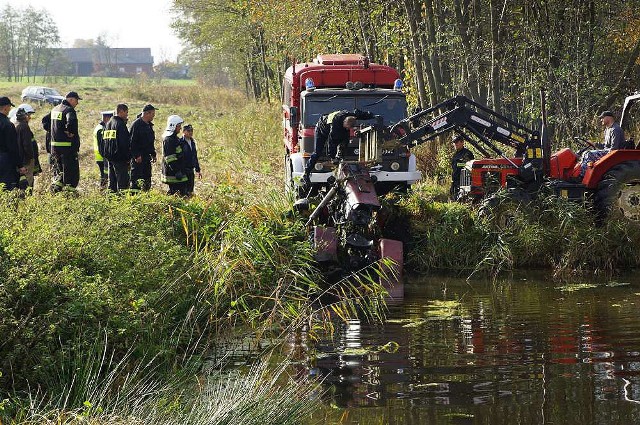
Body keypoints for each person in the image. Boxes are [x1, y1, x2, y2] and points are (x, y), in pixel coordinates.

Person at [303, 109, 375, 183]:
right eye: (347, 127)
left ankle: (341, 158)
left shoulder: (350, 115)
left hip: (338, 126)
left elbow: (360, 113)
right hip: (321, 130)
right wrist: (333, 158)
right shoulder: (335, 126)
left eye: (348, 128)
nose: (347, 129)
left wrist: (371, 115)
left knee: (345, 140)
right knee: (317, 152)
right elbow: (331, 143)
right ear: (344, 122)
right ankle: (306, 173)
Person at [50, 91, 82, 192]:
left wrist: (56, 131)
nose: (77, 104)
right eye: (76, 101)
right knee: (71, 174)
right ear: (71, 99)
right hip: (68, 149)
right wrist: (71, 132)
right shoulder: (69, 110)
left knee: (58, 173)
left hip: (54, 149)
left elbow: (45, 121)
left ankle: (55, 193)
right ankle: (69, 196)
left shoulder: (55, 109)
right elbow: (71, 122)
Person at [579, 110, 625, 178]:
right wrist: (594, 144)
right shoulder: (608, 130)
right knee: (583, 154)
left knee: (589, 154)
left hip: (614, 154)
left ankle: (582, 176)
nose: (601, 120)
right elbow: (606, 146)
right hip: (608, 151)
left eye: (602, 118)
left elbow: (614, 148)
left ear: (608, 118)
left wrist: (603, 158)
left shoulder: (615, 129)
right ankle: (582, 173)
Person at [102, 104, 131, 193]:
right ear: (121, 111)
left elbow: (104, 142)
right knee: (123, 183)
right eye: (126, 113)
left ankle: (111, 201)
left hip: (110, 158)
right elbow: (124, 143)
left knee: (112, 183)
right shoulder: (120, 124)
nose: (127, 115)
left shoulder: (108, 124)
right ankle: (122, 202)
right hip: (120, 158)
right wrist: (127, 159)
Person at [129, 104, 158, 192]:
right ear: (147, 113)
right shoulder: (136, 125)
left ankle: (146, 195)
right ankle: (134, 198)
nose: (154, 116)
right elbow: (132, 142)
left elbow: (150, 142)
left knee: (147, 178)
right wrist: (136, 155)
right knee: (136, 179)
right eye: (153, 114)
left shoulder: (149, 125)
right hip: (138, 158)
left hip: (146, 157)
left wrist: (153, 154)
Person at [0, 97, 25, 190]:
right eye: (9, 107)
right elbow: (13, 147)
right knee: (6, 187)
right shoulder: (7, 124)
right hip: (5, 160)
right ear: (6, 107)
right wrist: (20, 165)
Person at [161, 115, 189, 196]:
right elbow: (170, 158)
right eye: (179, 126)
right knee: (176, 194)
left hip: (178, 171)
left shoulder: (174, 138)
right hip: (173, 174)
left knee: (180, 193)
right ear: (173, 126)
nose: (180, 128)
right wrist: (177, 171)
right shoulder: (169, 139)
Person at [14, 105, 37, 190]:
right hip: (26, 161)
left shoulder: (16, 125)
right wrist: (31, 158)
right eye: (28, 115)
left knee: (21, 181)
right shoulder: (24, 127)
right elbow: (27, 145)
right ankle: (26, 199)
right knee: (28, 182)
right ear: (25, 116)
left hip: (19, 160)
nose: (30, 118)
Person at [450, 134, 474, 200]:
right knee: (454, 198)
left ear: (462, 142)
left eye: (457, 142)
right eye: (454, 142)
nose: (455, 144)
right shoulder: (455, 154)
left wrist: (459, 164)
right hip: (455, 181)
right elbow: (454, 167)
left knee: (463, 200)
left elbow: (468, 165)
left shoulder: (467, 153)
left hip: (464, 181)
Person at [93, 110, 113, 188]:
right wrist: (105, 155)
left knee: (104, 175)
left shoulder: (101, 127)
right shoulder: (101, 129)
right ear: (107, 118)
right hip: (101, 157)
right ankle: (103, 189)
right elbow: (102, 145)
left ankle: (103, 189)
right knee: (104, 176)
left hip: (101, 156)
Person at [180, 124, 201, 196]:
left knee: (190, 189)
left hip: (191, 170)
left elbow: (194, 156)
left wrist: (198, 170)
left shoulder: (192, 142)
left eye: (192, 131)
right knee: (183, 190)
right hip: (183, 170)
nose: (190, 132)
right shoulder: (180, 142)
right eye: (188, 131)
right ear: (183, 131)